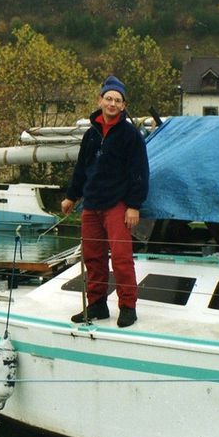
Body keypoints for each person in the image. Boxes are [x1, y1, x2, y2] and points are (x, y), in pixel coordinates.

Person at [61, 75, 149, 328]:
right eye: (108, 98)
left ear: (123, 106)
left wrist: (134, 205)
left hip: (117, 205)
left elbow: (140, 171)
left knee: (121, 258)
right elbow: (82, 168)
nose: (112, 103)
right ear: (100, 100)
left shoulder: (131, 135)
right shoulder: (90, 135)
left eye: (117, 100)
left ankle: (128, 306)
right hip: (91, 205)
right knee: (93, 257)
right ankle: (97, 304)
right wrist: (70, 196)